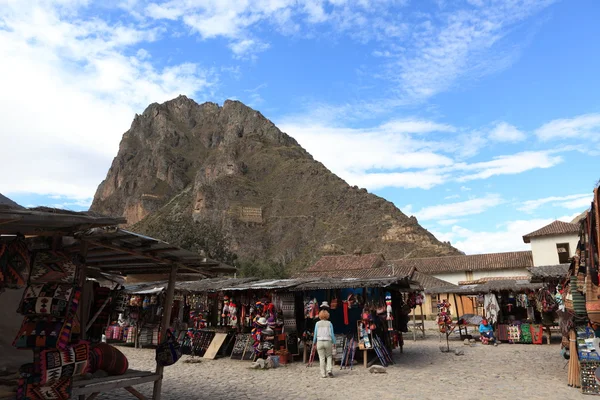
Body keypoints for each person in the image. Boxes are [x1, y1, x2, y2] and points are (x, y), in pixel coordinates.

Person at [313, 309, 336, 378]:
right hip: (327, 341)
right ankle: (329, 370)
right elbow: (332, 334)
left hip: (319, 342)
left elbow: (315, 334)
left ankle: (323, 373)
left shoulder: (317, 324)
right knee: (329, 356)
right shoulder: (329, 323)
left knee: (321, 358)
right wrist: (334, 342)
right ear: (327, 316)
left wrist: (314, 342)